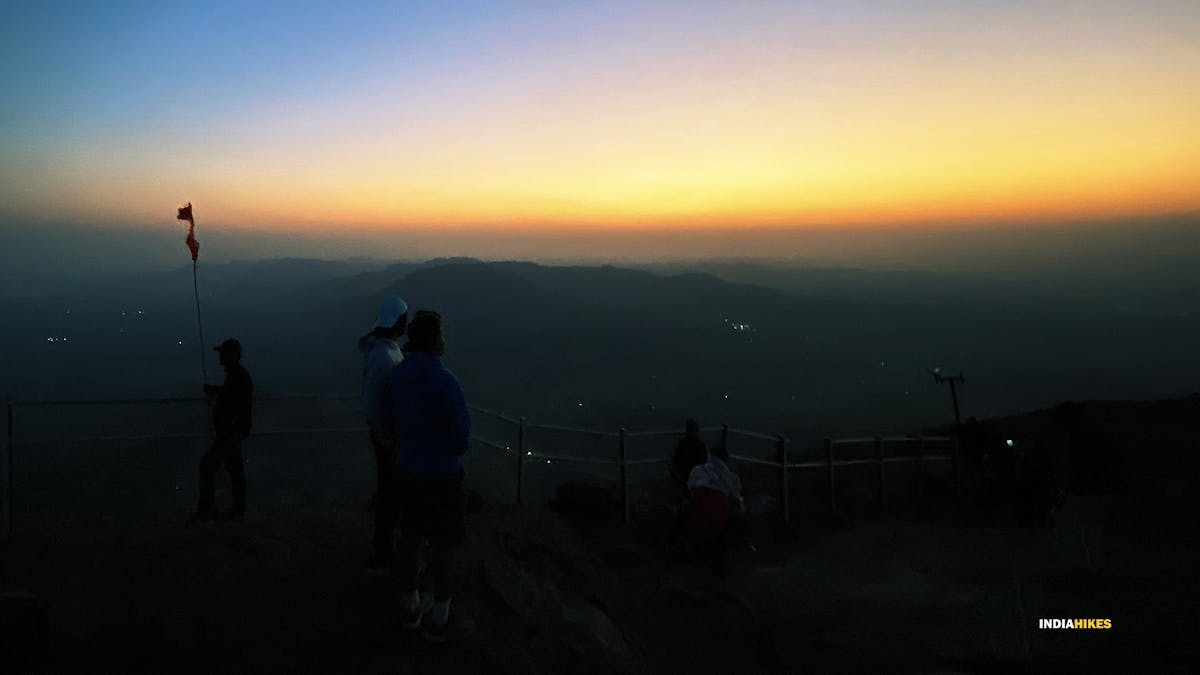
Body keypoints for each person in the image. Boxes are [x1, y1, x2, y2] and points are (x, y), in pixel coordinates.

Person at [389, 311, 475, 641]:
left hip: (407, 470)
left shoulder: (398, 377)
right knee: (442, 546)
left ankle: (410, 606)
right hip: (442, 475)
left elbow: (392, 418)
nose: (446, 340)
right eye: (442, 334)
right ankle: (440, 617)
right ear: (434, 340)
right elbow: (461, 436)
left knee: (409, 539)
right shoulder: (445, 383)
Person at [359, 295, 408, 573]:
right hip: (387, 439)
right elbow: (371, 403)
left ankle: (386, 548)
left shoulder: (384, 350)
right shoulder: (383, 356)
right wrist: (386, 438)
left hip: (387, 437)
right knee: (389, 496)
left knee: (391, 494)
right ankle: (383, 553)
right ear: (397, 321)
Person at [189, 338, 253, 525]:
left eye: (223, 353)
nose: (220, 356)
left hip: (231, 432)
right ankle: (238, 511)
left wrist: (215, 398)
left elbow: (232, 402)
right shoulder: (238, 375)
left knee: (208, 465)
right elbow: (230, 395)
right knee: (235, 470)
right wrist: (215, 392)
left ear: (232, 355)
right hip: (235, 431)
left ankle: (205, 510)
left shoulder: (237, 376)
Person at [683, 444, 745, 576]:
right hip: (719, 511)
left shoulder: (698, 470)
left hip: (698, 509)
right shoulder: (731, 477)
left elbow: (691, 489)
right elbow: (736, 499)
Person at [670, 419, 708, 497]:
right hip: (692, 476)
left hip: (687, 475)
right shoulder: (699, 444)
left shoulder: (684, 443)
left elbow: (676, 460)